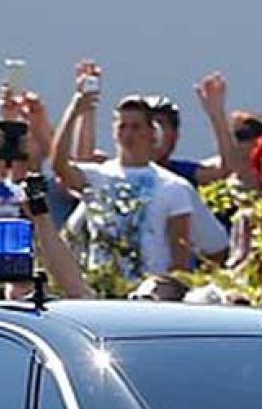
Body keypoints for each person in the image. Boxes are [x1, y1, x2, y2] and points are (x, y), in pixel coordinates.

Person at [53, 91, 198, 277]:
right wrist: (74, 111)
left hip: (148, 291)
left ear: (151, 132)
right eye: (122, 127)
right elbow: (60, 165)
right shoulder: (97, 176)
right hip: (103, 286)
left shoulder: (173, 187)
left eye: (136, 127)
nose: (128, 134)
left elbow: (180, 257)